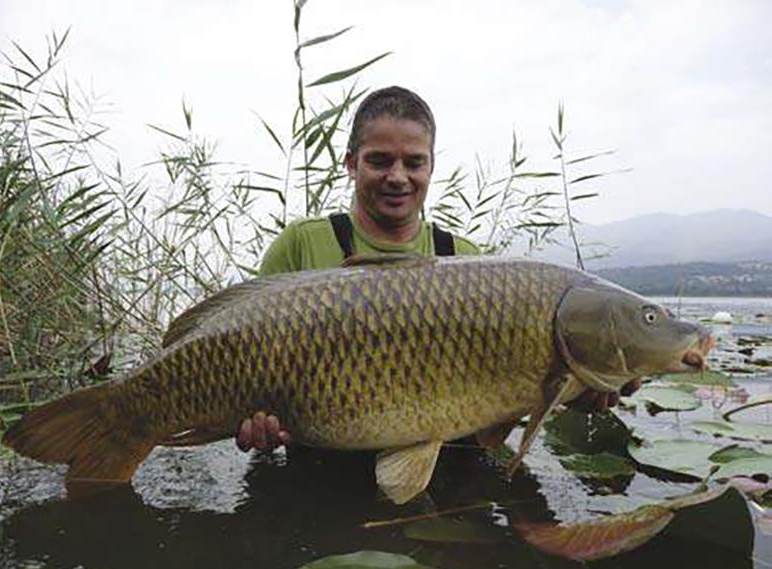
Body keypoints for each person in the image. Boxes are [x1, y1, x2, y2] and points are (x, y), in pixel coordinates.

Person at [235, 86, 636, 453]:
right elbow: (243, 346)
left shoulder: (466, 260)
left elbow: (495, 415)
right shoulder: (302, 244)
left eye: (413, 162)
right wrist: (254, 423)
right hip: (317, 470)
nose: (397, 177)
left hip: (437, 461)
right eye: (379, 161)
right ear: (351, 164)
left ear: (430, 167)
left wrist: (580, 393)